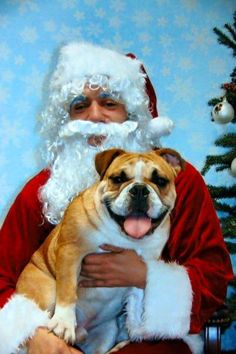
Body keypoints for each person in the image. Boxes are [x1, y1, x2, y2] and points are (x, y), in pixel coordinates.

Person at [0, 42, 233, 354]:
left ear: (133, 113)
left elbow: (214, 277)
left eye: (109, 103)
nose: (94, 116)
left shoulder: (179, 180)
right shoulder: (44, 188)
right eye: (79, 106)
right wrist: (33, 335)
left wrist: (144, 275)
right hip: (56, 329)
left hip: (148, 339)